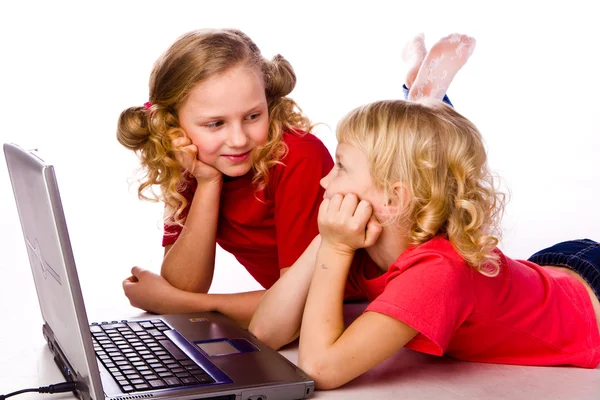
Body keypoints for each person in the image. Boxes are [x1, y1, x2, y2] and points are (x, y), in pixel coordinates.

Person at [249, 38, 600, 390]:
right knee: (440, 172)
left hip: (592, 299)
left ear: (393, 197)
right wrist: (328, 240)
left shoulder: (436, 272)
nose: (325, 180)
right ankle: (425, 103)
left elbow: (321, 369)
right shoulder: (377, 236)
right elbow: (265, 331)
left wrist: (335, 249)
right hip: (551, 270)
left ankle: (425, 102)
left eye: (341, 167)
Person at [116, 28, 340, 328]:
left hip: (361, 308)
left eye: (253, 116)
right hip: (293, 316)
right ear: (173, 124)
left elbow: (303, 303)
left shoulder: (298, 156)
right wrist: (208, 183)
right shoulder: (195, 159)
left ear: (268, 103)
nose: (237, 139)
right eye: (215, 123)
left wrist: (180, 305)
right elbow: (184, 284)